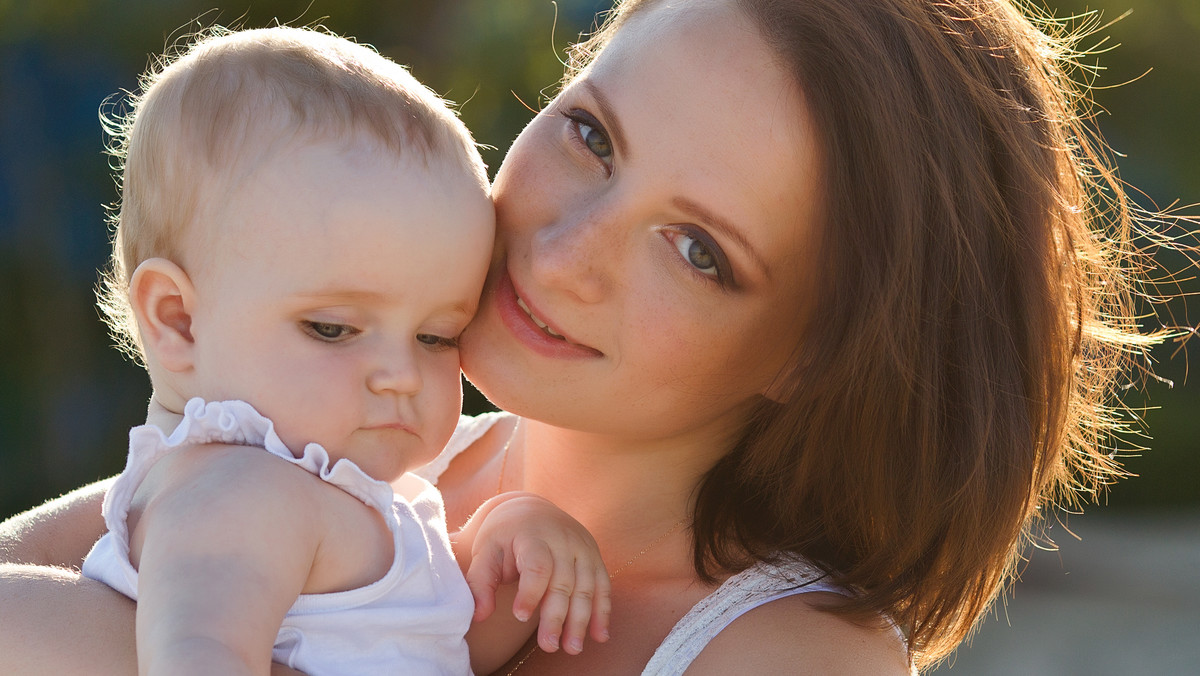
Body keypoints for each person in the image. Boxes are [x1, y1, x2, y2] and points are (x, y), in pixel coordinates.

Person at [1, 0, 1191, 673]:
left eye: (699, 250)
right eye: (594, 136)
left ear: (815, 352)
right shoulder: (366, 454)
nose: (563, 252)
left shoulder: (784, 658)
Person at [0, 25, 612, 676]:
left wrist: (496, 552)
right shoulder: (236, 493)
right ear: (178, 321)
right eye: (332, 328)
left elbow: (411, 642)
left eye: (435, 336)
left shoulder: (326, 497)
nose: (400, 376)